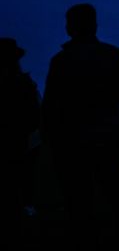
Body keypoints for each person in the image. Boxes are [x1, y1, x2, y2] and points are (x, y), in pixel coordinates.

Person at [42, 3, 119, 249]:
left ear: (71, 26)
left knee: (78, 198)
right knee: (116, 195)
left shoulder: (61, 61)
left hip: (72, 140)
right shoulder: (113, 55)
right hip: (106, 136)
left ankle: (84, 238)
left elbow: (51, 103)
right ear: (94, 25)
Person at [0, 38, 40, 249]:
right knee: (21, 179)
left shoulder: (22, 84)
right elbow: (35, 114)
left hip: (16, 139)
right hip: (20, 140)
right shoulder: (23, 84)